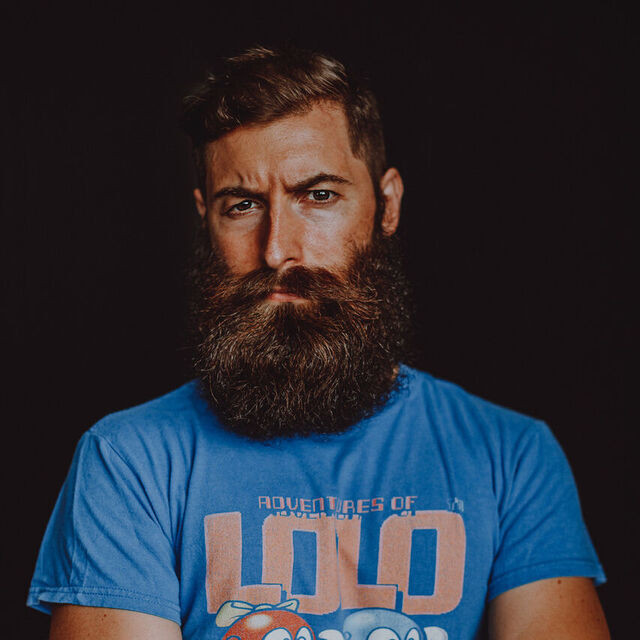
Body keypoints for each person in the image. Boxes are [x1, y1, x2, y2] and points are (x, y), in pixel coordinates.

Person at [27, 45, 609, 639]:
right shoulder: (128, 462)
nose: (278, 248)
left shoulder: (510, 457)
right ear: (205, 217)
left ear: (387, 204)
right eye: (243, 206)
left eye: (319, 195)